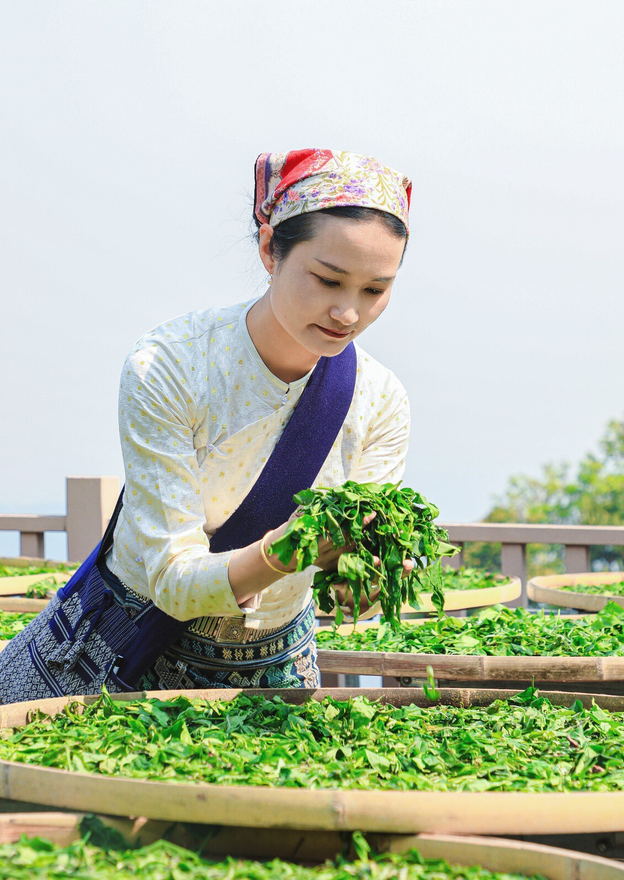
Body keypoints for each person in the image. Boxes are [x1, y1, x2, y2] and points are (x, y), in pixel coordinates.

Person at [0, 148, 412, 701]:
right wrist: (283, 552)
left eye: (375, 290)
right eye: (327, 280)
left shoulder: (379, 400)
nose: (348, 314)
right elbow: (172, 580)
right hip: (122, 649)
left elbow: (351, 566)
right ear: (269, 249)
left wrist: (364, 574)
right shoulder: (172, 365)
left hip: (276, 669)